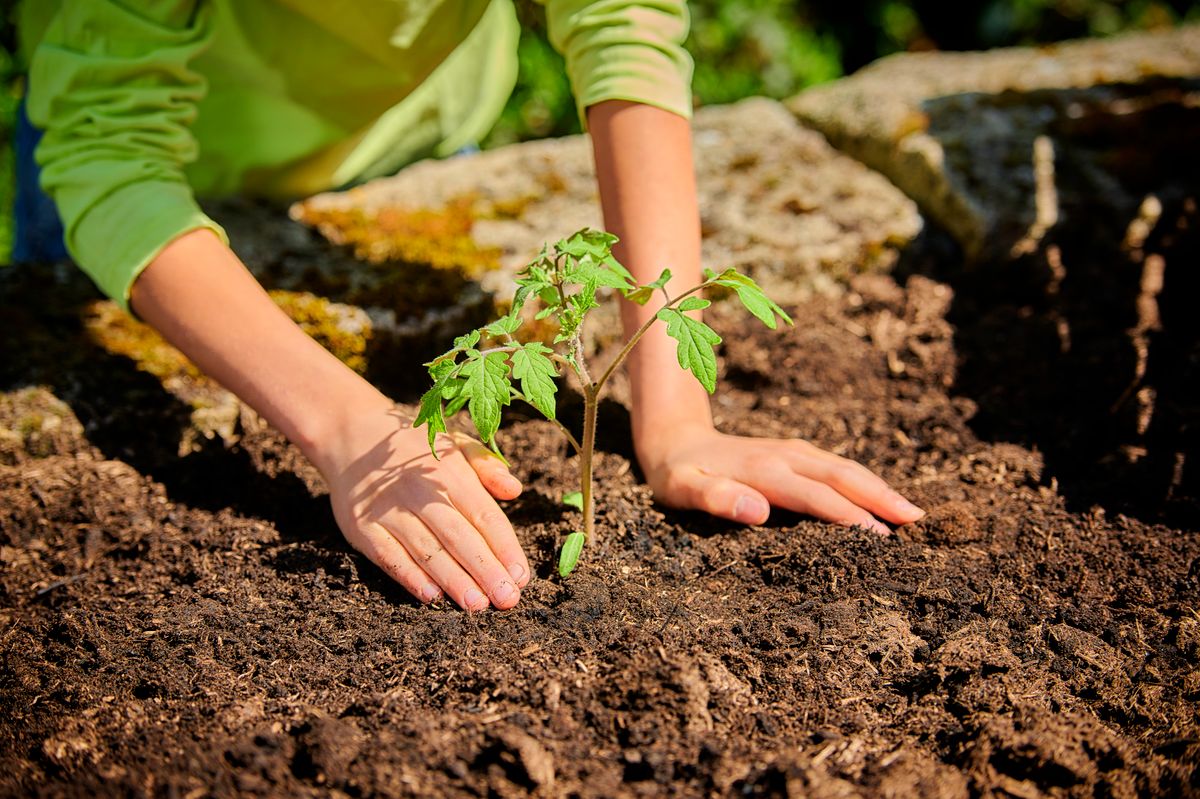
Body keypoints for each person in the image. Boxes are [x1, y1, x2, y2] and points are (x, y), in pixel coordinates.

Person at [15, 0, 925, 612]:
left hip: (423, 120)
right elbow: (110, 157)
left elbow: (625, 27)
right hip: (164, 169)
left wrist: (678, 419)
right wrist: (349, 427)